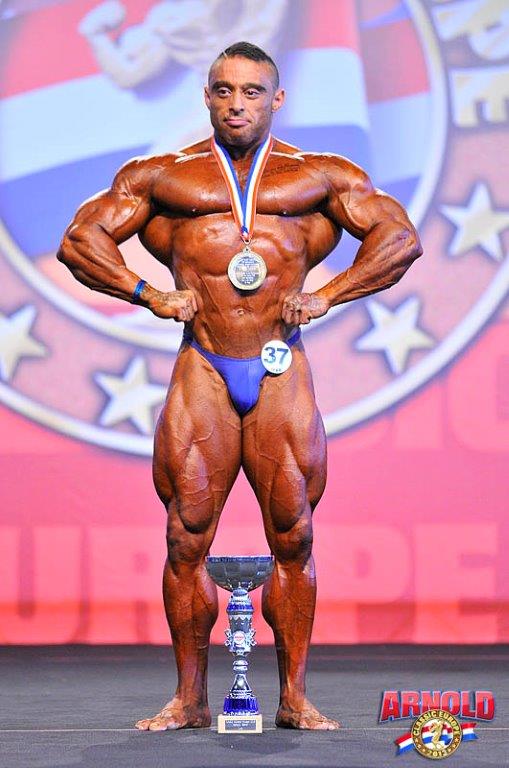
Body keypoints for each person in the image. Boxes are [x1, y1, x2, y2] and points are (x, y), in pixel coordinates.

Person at [57, 41, 422, 731]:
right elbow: (81, 240)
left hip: (281, 366)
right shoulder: (164, 176)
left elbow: (399, 238)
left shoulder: (318, 176)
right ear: (206, 96)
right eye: (223, 90)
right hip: (204, 366)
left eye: (252, 92)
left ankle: (293, 698)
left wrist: (330, 293)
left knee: (295, 534)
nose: (236, 105)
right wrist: (147, 293)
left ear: (276, 99)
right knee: (185, 536)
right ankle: (189, 698)